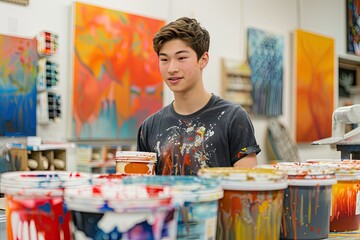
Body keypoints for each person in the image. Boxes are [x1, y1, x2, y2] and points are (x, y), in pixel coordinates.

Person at [137, 17, 261, 175]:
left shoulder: (233, 118)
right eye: (164, 59)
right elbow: (142, 190)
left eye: (181, 58)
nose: (171, 68)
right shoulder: (149, 128)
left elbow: (247, 191)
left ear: (203, 60)